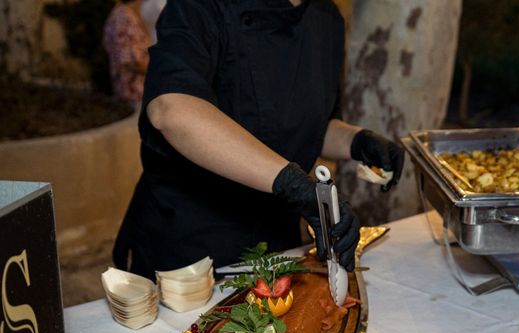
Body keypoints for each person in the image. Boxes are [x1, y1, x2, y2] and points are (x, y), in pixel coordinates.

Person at [113, 0, 404, 279]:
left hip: (274, 241)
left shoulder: (327, 19)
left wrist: (357, 141)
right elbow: (172, 108)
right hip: (190, 245)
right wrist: (294, 185)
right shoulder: (201, 5)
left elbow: (303, 125)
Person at [102, 0, 151, 105]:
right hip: (136, 92)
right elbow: (135, 61)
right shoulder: (125, 18)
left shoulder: (118, 14)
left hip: (129, 92)